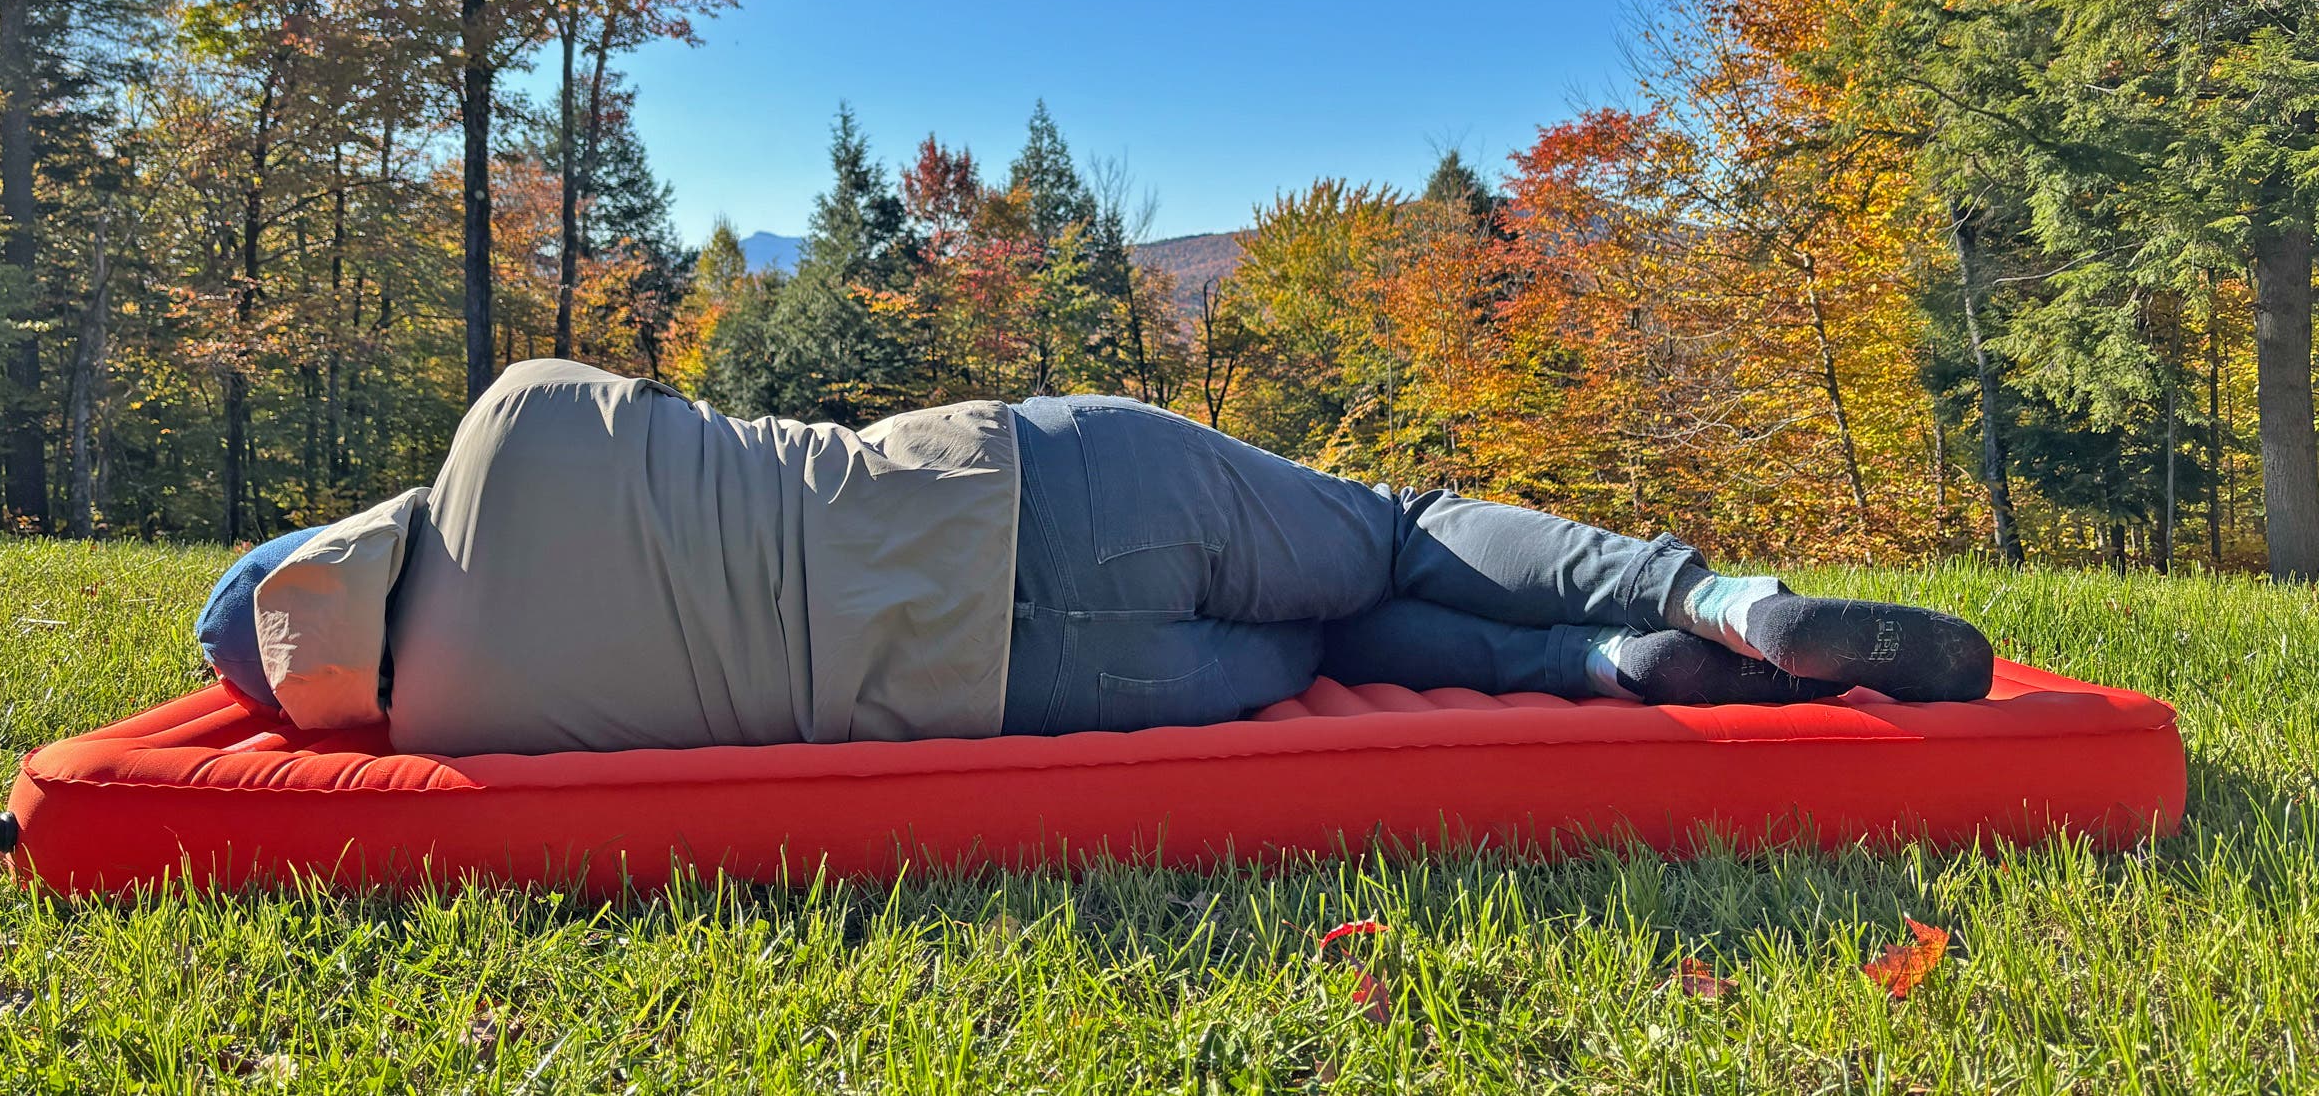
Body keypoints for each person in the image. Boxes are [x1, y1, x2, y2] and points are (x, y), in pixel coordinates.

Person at [199, 359, 1992, 757]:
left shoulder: (460, 723)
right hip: (1027, 485)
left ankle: (1591, 674)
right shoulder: (512, 420)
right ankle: (1710, 600)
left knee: (1328, 635)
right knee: (1380, 526)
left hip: (1031, 687)